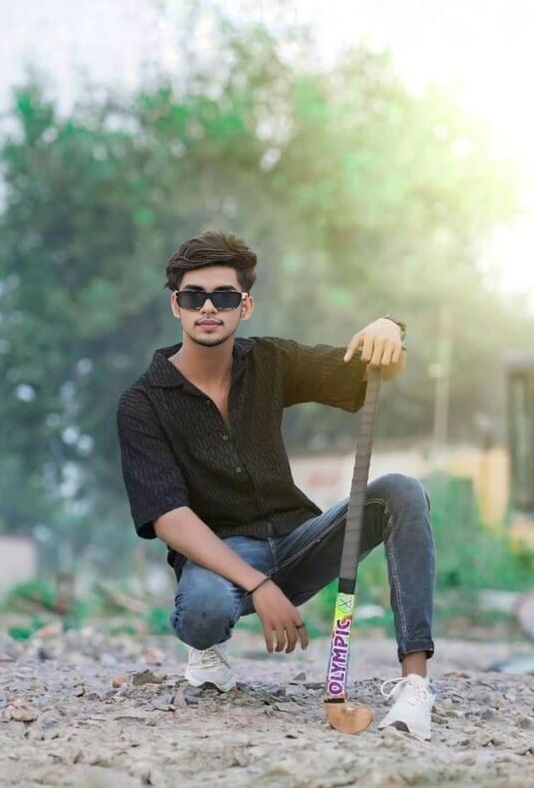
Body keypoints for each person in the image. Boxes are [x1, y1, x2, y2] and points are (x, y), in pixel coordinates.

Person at [116, 231, 436, 740]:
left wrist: (389, 329)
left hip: (297, 540)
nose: (208, 308)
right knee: (202, 611)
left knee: (401, 489)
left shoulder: (270, 360)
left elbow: (371, 370)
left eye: (224, 297)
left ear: (244, 306)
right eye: (194, 297)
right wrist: (259, 586)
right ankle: (207, 650)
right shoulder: (142, 403)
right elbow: (169, 517)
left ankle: (415, 686)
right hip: (220, 558)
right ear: (176, 306)